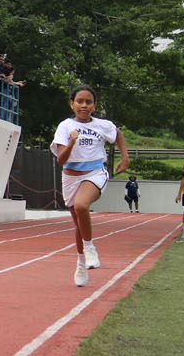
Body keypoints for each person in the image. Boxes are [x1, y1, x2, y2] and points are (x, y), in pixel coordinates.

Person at [52, 84, 128, 287]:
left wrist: (125, 157)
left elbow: (117, 134)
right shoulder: (65, 127)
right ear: (72, 104)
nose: (84, 105)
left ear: (94, 105)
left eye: (88, 102)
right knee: (79, 224)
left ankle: (90, 247)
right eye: (79, 101)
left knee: (81, 205)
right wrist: (71, 143)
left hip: (95, 173)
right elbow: (61, 160)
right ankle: (80, 263)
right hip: (70, 177)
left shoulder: (102, 125)